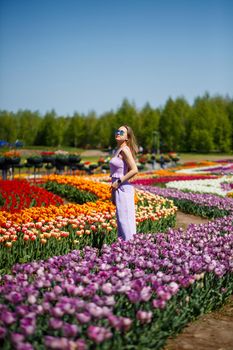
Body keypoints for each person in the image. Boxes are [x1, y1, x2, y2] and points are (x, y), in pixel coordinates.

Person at [109, 125, 138, 241]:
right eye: (117, 131)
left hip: (123, 189)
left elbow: (134, 169)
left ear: (127, 137)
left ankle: (130, 249)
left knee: (126, 222)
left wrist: (118, 182)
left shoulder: (125, 150)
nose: (118, 133)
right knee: (121, 221)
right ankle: (124, 249)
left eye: (122, 132)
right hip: (118, 189)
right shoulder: (118, 150)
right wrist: (113, 192)